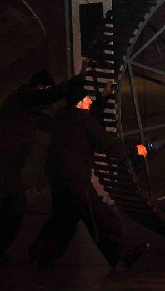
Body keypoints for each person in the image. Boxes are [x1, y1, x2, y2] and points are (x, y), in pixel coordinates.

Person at [29, 79, 150, 268]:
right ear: (79, 102)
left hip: (57, 176)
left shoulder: (64, 116)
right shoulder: (83, 121)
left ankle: (40, 254)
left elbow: (89, 118)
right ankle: (123, 253)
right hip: (75, 177)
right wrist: (136, 150)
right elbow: (110, 146)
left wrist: (103, 96)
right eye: (87, 98)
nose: (90, 101)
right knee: (100, 215)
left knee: (63, 219)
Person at [0, 70, 71, 266]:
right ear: (39, 87)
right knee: (14, 206)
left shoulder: (26, 106)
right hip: (6, 164)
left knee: (13, 206)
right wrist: (76, 81)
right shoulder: (23, 97)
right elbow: (49, 97)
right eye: (46, 89)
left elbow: (53, 124)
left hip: (10, 165)